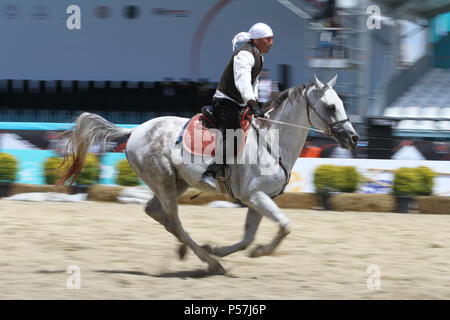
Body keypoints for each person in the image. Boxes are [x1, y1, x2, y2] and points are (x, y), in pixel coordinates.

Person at [200, 22, 274, 188]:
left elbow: (253, 84)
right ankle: (210, 173)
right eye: (268, 39)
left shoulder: (259, 57)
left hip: (240, 103)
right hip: (225, 102)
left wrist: (257, 106)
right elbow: (243, 83)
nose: (271, 43)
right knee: (236, 137)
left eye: (272, 39)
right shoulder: (244, 55)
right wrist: (253, 104)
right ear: (256, 40)